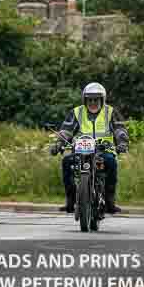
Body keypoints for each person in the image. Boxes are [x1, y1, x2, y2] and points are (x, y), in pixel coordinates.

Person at [49, 82, 130, 214]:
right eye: (90, 99)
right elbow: (66, 131)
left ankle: (110, 201)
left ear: (102, 99)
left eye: (96, 99)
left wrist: (122, 143)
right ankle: (71, 201)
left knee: (111, 163)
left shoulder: (110, 112)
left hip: (103, 151)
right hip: (80, 151)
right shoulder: (76, 112)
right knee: (66, 162)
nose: (93, 102)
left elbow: (120, 130)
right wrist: (59, 144)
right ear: (85, 99)